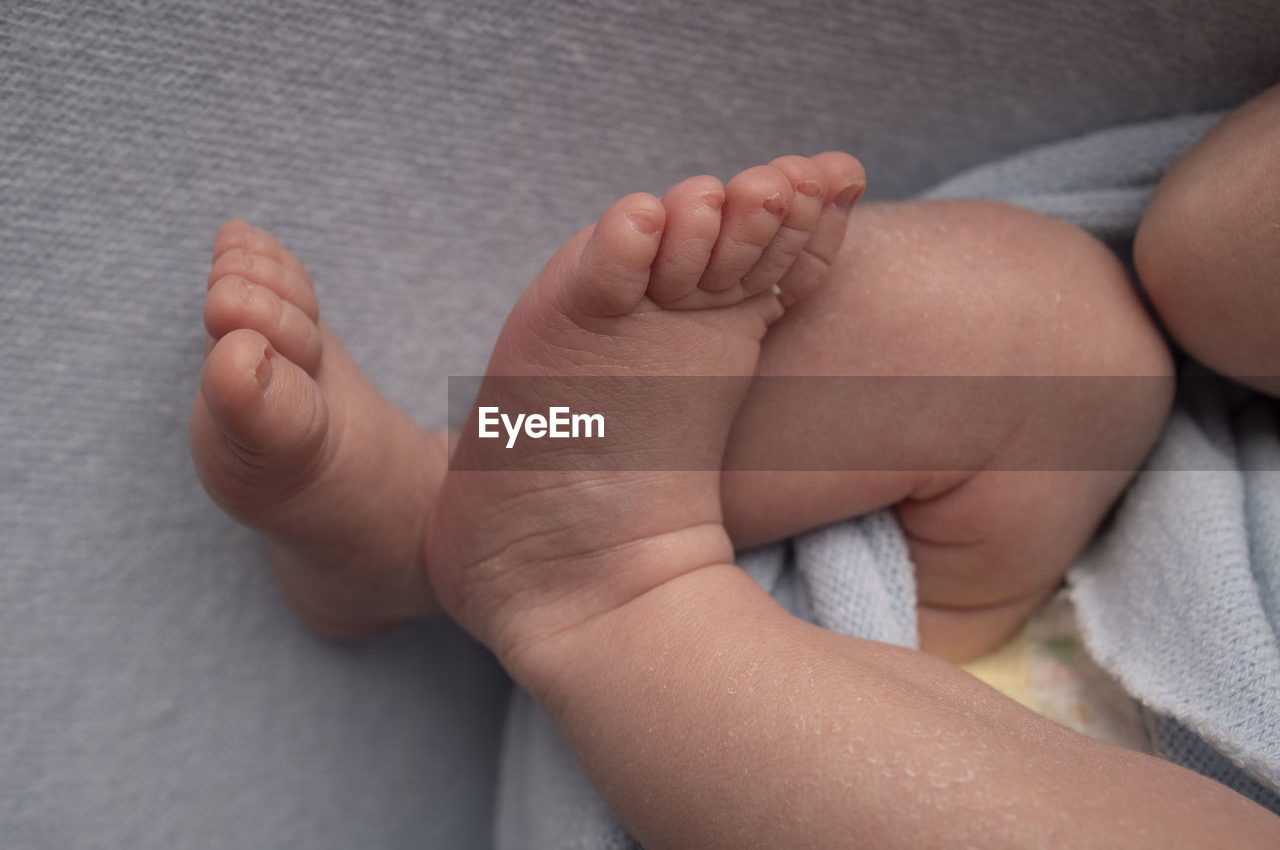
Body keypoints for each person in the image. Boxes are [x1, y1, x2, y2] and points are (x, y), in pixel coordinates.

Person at [189, 87, 1280, 845]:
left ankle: (602, 602)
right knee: (1066, 332)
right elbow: (1210, 258)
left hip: (777, 755)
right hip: (1033, 584)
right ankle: (443, 515)